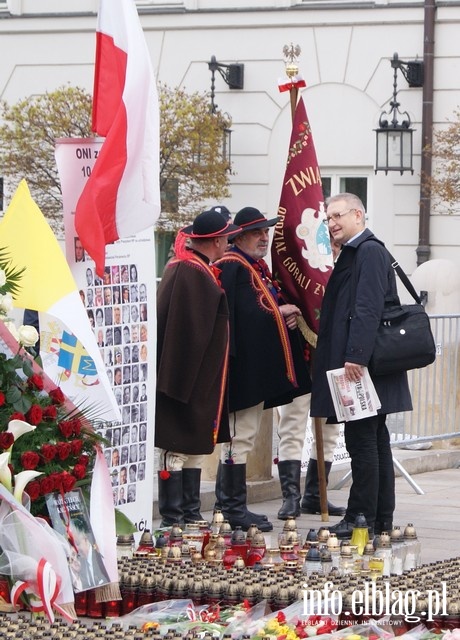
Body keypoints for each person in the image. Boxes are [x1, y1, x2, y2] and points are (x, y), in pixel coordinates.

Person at [310, 193, 412, 537]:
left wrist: (354, 355)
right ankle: (380, 519)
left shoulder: (367, 250)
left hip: (360, 365)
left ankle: (360, 518)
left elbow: (367, 307)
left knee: (362, 441)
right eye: (328, 218)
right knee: (375, 440)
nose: (332, 223)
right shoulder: (363, 250)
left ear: (358, 214)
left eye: (337, 215)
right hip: (366, 364)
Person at [214, 206, 311, 532]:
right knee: (238, 439)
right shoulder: (233, 265)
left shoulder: (252, 266)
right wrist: (277, 312)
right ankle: (231, 509)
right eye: (257, 232)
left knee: (244, 437)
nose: (264, 237)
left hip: (252, 371)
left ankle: (232, 507)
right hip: (242, 371)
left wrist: (280, 313)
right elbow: (240, 316)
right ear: (238, 236)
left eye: (266, 231)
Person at [155, 209, 241, 527]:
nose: (229, 242)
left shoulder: (195, 269)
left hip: (197, 378)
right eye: (226, 238)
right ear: (217, 240)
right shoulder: (189, 271)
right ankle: (173, 513)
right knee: (176, 446)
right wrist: (179, 383)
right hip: (183, 379)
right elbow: (183, 332)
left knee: (193, 445)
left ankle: (189, 511)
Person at [275, 234, 344, 520]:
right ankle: (291, 496)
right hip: (303, 359)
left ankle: (317, 495)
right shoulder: (299, 271)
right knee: (292, 425)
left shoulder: (346, 268)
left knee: (329, 430)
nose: (333, 248)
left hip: (333, 359)